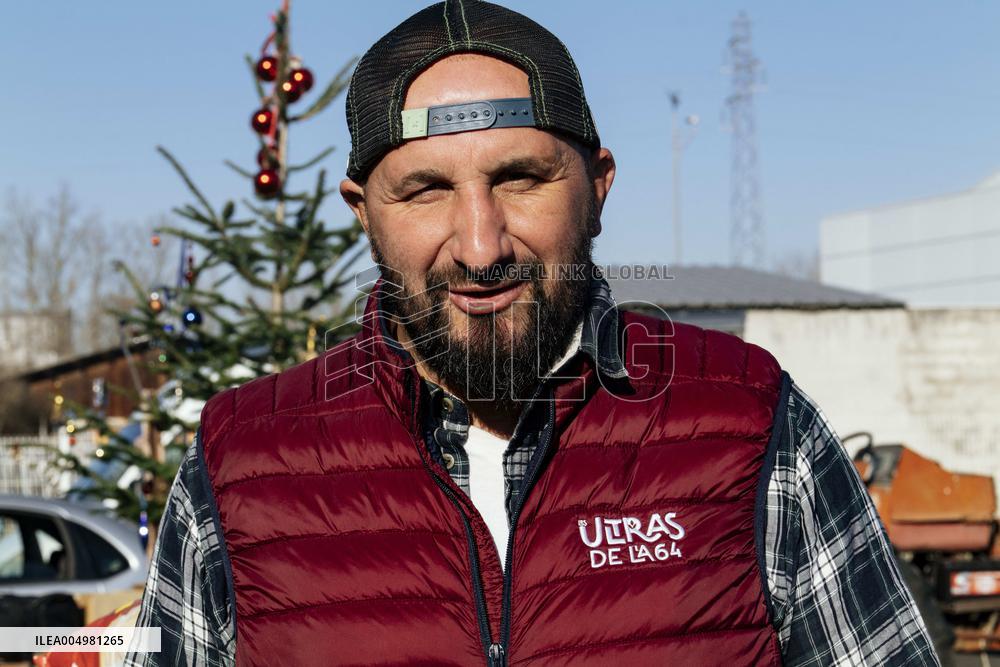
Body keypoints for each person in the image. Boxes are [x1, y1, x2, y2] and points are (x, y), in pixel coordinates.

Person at [126, 1, 941, 665]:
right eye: (424, 190)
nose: (481, 245)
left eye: (521, 178)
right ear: (362, 212)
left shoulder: (753, 424)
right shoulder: (242, 461)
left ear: (598, 185)